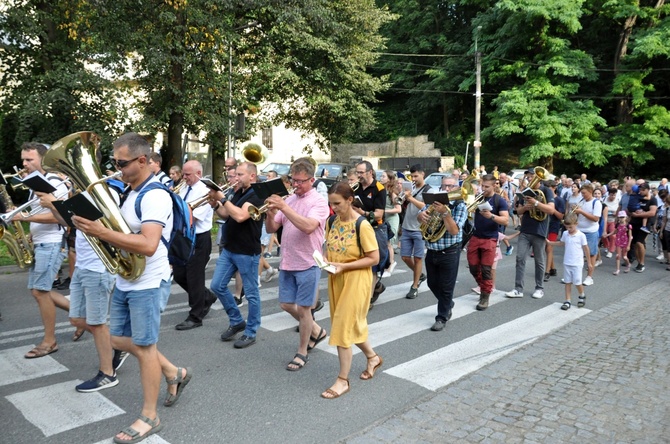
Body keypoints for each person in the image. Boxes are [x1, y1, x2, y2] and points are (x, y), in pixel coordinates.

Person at [73, 132, 191, 444]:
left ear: (142, 160)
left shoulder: (154, 195)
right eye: (114, 161)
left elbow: (149, 245)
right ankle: (174, 372)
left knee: (145, 348)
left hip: (147, 282)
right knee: (119, 339)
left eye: (121, 163)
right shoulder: (129, 191)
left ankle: (150, 416)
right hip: (128, 278)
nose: (116, 167)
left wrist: (101, 231)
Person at [265, 158, 330, 371]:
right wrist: (270, 212)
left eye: (300, 181)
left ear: (312, 180)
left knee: (304, 311)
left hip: (308, 262)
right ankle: (317, 331)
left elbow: (309, 227)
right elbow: (271, 229)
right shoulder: (291, 199)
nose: (296, 185)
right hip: (288, 261)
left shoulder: (318, 201)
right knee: (285, 304)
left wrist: (284, 206)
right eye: (294, 180)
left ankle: (302, 352)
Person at [320, 181, 382, 399]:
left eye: (337, 203)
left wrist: (344, 266)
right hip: (337, 278)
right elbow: (328, 246)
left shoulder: (362, 225)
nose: (333, 207)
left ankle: (342, 380)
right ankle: (373, 357)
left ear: (349, 200)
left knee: (342, 327)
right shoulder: (331, 221)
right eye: (331, 203)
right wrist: (326, 261)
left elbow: (374, 258)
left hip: (356, 279)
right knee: (351, 324)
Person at [12, 143, 70, 359]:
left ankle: (50, 341)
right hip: (41, 242)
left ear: (42, 160)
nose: (24, 164)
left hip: (53, 242)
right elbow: (39, 213)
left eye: (29, 160)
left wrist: (24, 218)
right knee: (38, 291)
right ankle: (80, 317)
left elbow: (60, 216)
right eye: (23, 160)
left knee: (40, 292)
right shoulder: (35, 184)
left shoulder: (55, 183)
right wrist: (30, 232)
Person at [210, 162, 264, 348]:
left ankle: (251, 331)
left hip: (247, 251)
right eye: (235, 174)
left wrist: (223, 199)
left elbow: (241, 216)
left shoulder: (257, 194)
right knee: (217, 286)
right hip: (230, 248)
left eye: (240, 174)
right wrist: (215, 205)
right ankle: (236, 321)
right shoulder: (239, 192)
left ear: (252, 176)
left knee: (251, 293)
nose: (235, 177)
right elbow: (227, 215)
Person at [418, 176, 468, 331]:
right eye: (445, 186)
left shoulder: (460, 205)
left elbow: (454, 231)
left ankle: (441, 317)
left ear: (457, 188)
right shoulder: (433, 202)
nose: (447, 189)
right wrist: (422, 216)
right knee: (431, 283)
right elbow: (420, 216)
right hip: (432, 249)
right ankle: (447, 303)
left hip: (450, 251)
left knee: (447, 286)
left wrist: (446, 214)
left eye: (451, 186)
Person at [173, 160, 218, 331]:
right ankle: (206, 296)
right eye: (183, 174)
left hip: (199, 237)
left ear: (198, 173)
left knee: (194, 277)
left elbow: (193, 218)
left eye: (188, 175)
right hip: (183, 237)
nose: (184, 178)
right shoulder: (184, 187)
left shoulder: (206, 191)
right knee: (178, 274)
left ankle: (196, 316)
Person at [505, 169, 555, 299]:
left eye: (533, 176)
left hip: (539, 230)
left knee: (539, 261)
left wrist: (536, 203)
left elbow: (551, 210)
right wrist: (525, 207)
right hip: (525, 230)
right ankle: (518, 289)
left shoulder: (546, 191)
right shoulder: (525, 191)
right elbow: (518, 211)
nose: (531, 178)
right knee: (520, 258)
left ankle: (539, 288)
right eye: (529, 176)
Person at [466, 175, 509, 311]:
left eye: (486, 187)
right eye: (482, 186)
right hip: (475, 236)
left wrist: (491, 216)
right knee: (473, 267)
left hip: (490, 238)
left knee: (486, 269)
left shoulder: (499, 200)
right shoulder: (479, 197)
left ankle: (485, 296)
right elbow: (468, 210)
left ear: (494, 186)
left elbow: (506, 220)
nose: (483, 189)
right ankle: (485, 287)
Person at [353, 161, 388, 305]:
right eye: (357, 172)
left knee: (373, 264)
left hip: (375, 228)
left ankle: (367, 301)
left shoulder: (379, 188)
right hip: (359, 227)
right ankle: (376, 287)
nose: (358, 175)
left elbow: (379, 215)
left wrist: (362, 213)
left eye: (361, 172)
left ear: (370, 172)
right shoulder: (356, 187)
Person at [547, 213, 591, 310]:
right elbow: (562, 243)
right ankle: (567, 300)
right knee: (567, 282)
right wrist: (551, 243)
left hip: (577, 263)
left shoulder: (581, 235)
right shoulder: (565, 234)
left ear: (576, 224)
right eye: (567, 227)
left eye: (571, 227)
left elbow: (586, 248)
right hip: (567, 262)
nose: (569, 229)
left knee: (577, 282)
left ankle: (582, 295)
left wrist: (589, 262)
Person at [400, 164, 431, 299]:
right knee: (405, 257)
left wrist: (410, 198)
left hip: (419, 228)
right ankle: (420, 275)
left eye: (415, 176)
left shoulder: (428, 190)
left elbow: (426, 206)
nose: (413, 179)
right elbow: (400, 202)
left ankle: (415, 286)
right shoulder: (410, 188)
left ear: (422, 174)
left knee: (418, 258)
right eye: (411, 176)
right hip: (407, 226)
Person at [572, 183, 602, 286]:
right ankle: (576, 276)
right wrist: (575, 211)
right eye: (582, 193)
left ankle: (589, 277)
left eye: (584, 193)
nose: (582, 195)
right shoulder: (581, 201)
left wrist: (581, 211)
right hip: (580, 230)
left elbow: (595, 218)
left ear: (590, 191)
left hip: (590, 232)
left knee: (591, 254)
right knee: (577, 253)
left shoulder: (596, 202)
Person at [628, 182, 657, 272]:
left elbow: (652, 213)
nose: (640, 191)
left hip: (644, 224)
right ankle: (639, 262)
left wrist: (639, 215)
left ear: (648, 190)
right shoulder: (637, 197)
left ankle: (642, 263)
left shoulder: (652, 199)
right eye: (640, 190)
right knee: (635, 244)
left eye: (643, 190)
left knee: (640, 243)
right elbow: (630, 208)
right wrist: (631, 214)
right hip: (634, 223)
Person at [380, 170, 401, 278]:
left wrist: (384, 211)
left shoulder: (392, 192)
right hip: (384, 219)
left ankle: (391, 265)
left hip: (392, 219)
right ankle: (385, 265)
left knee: (388, 243)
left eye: (383, 176)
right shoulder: (381, 190)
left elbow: (398, 209)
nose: (381, 178)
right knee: (383, 243)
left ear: (389, 179)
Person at [544, 180, 565, 281]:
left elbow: (561, 216)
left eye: (549, 188)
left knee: (549, 248)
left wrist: (552, 209)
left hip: (553, 226)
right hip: (544, 225)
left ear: (554, 188)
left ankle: (547, 272)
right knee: (547, 249)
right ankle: (553, 268)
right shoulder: (544, 199)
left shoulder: (559, 200)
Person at [602, 186, 621, 258]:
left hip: (613, 220)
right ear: (609, 194)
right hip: (605, 219)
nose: (613, 196)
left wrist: (616, 213)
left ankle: (611, 250)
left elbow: (619, 210)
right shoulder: (604, 200)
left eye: (614, 195)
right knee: (603, 235)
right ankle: (607, 246)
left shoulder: (617, 201)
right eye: (611, 195)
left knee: (613, 235)